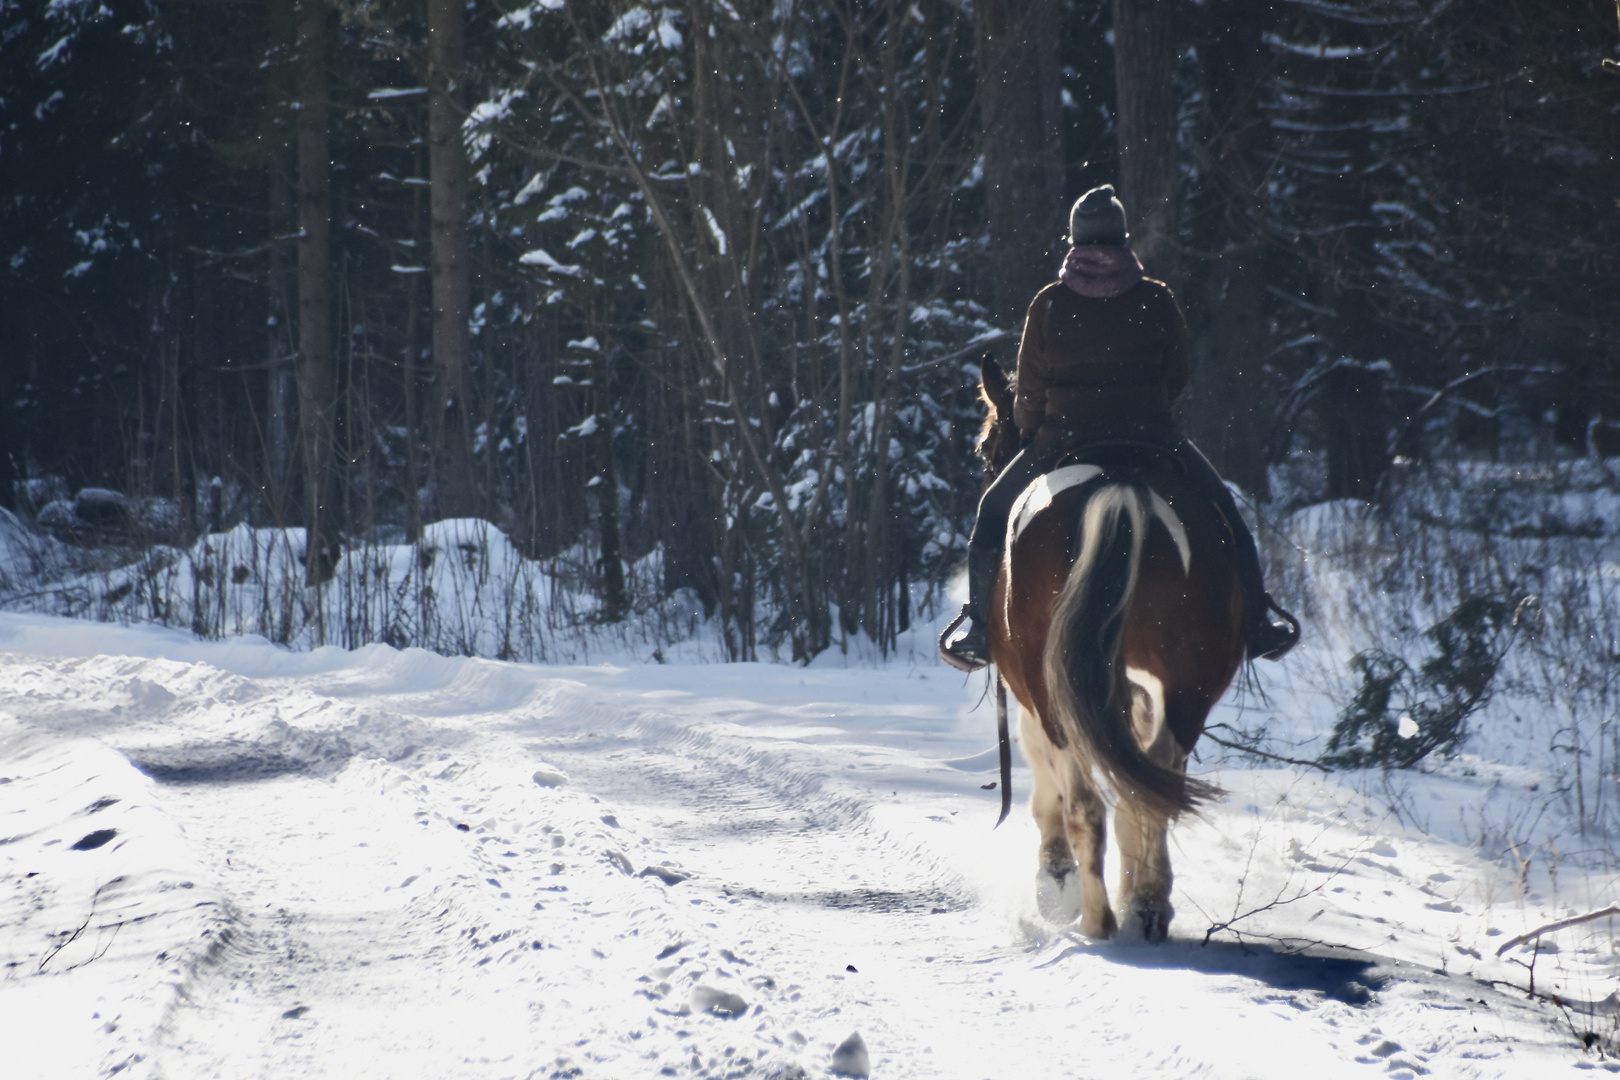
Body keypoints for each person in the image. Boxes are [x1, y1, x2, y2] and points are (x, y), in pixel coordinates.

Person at [939, 184, 1299, 673]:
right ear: (1122, 238)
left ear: (1073, 241)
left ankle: (980, 632)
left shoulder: (1047, 305)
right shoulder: (1157, 298)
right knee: (1227, 516)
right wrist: (1147, 412)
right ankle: (1258, 622)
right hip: (1152, 436)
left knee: (990, 516)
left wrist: (1030, 430)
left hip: (1063, 440)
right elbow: (1177, 375)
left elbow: (1031, 393)